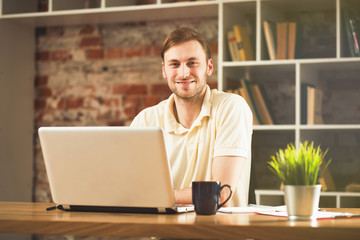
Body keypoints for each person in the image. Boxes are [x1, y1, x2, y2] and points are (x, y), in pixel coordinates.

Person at [130, 27, 253, 207]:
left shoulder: (231, 107)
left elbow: (221, 194)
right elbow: (130, 188)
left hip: (220, 232)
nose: (184, 73)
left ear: (209, 67)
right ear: (164, 70)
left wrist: (156, 197)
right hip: (163, 232)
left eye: (192, 63)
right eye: (174, 64)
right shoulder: (146, 120)